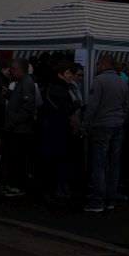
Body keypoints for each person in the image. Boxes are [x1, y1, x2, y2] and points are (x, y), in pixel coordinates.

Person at [84, 53, 129, 213]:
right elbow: (127, 106)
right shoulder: (122, 81)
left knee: (99, 164)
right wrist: (122, 119)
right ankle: (110, 199)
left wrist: (85, 124)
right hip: (118, 125)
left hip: (102, 125)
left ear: (103, 64)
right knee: (114, 164)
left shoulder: (99, 81)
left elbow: (92, 106)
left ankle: (98, 200)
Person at [38, 57, 81, 206]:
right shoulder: (59, 89)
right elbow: (63, 109)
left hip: (55, 130)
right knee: (57, 163)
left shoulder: (56, 87)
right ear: (62, 73)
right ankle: (55, 191)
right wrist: (76, 105)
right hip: (57, 131)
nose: (71, 76)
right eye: (69, 73)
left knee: (55, 163)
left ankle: (55, 190)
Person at [2, 57, 41, 198]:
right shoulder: (22, 82)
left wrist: (13, 121)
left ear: (20, 69)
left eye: (14, 69)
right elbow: (22, 101)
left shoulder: (26, 83)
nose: (11, 71)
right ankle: (15, 185)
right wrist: (10, 95)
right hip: (17, 128)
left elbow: (28, 108)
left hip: (20, 130)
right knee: (16, 158)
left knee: (18, 159)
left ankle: (18, 186)